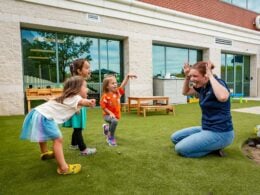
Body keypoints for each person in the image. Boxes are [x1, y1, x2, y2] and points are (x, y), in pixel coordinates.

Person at [20, 76, 96, 175]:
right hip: (45, 116)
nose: (87, 89)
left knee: (42, 133)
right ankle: (63, 168)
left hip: (38, 113)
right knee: (58, 139)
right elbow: (82, 102)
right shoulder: (75, 97)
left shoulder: (67, 97)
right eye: (85, 87)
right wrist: (89, 102)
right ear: (77, 88)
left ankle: (44, 152)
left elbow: (74, 107)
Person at [170, 61, 234, 158]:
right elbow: (185, 92)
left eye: (195, 76)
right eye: (191, 76)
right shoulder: (203, 87)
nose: (192, 79)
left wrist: (211, 75)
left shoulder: (218, 83)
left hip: (221, 133)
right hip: (206, 128)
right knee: (175, 138)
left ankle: (213, 148)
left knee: (180, 148)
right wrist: (187, 76)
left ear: (206, 76)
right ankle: (209, 145)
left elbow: (223, 97)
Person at [63, 59, 97, 156]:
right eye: (86, 68)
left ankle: (74, 144)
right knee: (78, 128)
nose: (89, 70)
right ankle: (83, 149)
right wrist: (77, 107)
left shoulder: (76, 80)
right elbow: (72, 95)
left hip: (79, 106)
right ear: (79, 70)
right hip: (77, 108)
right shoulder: (79, 81)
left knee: (77, 127)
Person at [100, 73, 137, 146]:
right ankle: (110, 138)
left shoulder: (117, 93)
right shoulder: (105, 96)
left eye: (115, 83)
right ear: (107, 86)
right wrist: (110, 113)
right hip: (107, 115)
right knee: (114, 121)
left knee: (113, 123)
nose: (115, 84)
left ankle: (106, 128)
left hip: (115, 115)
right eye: (112, 83)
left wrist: (127, 77)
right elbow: (103, 107)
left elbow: (123, 85)